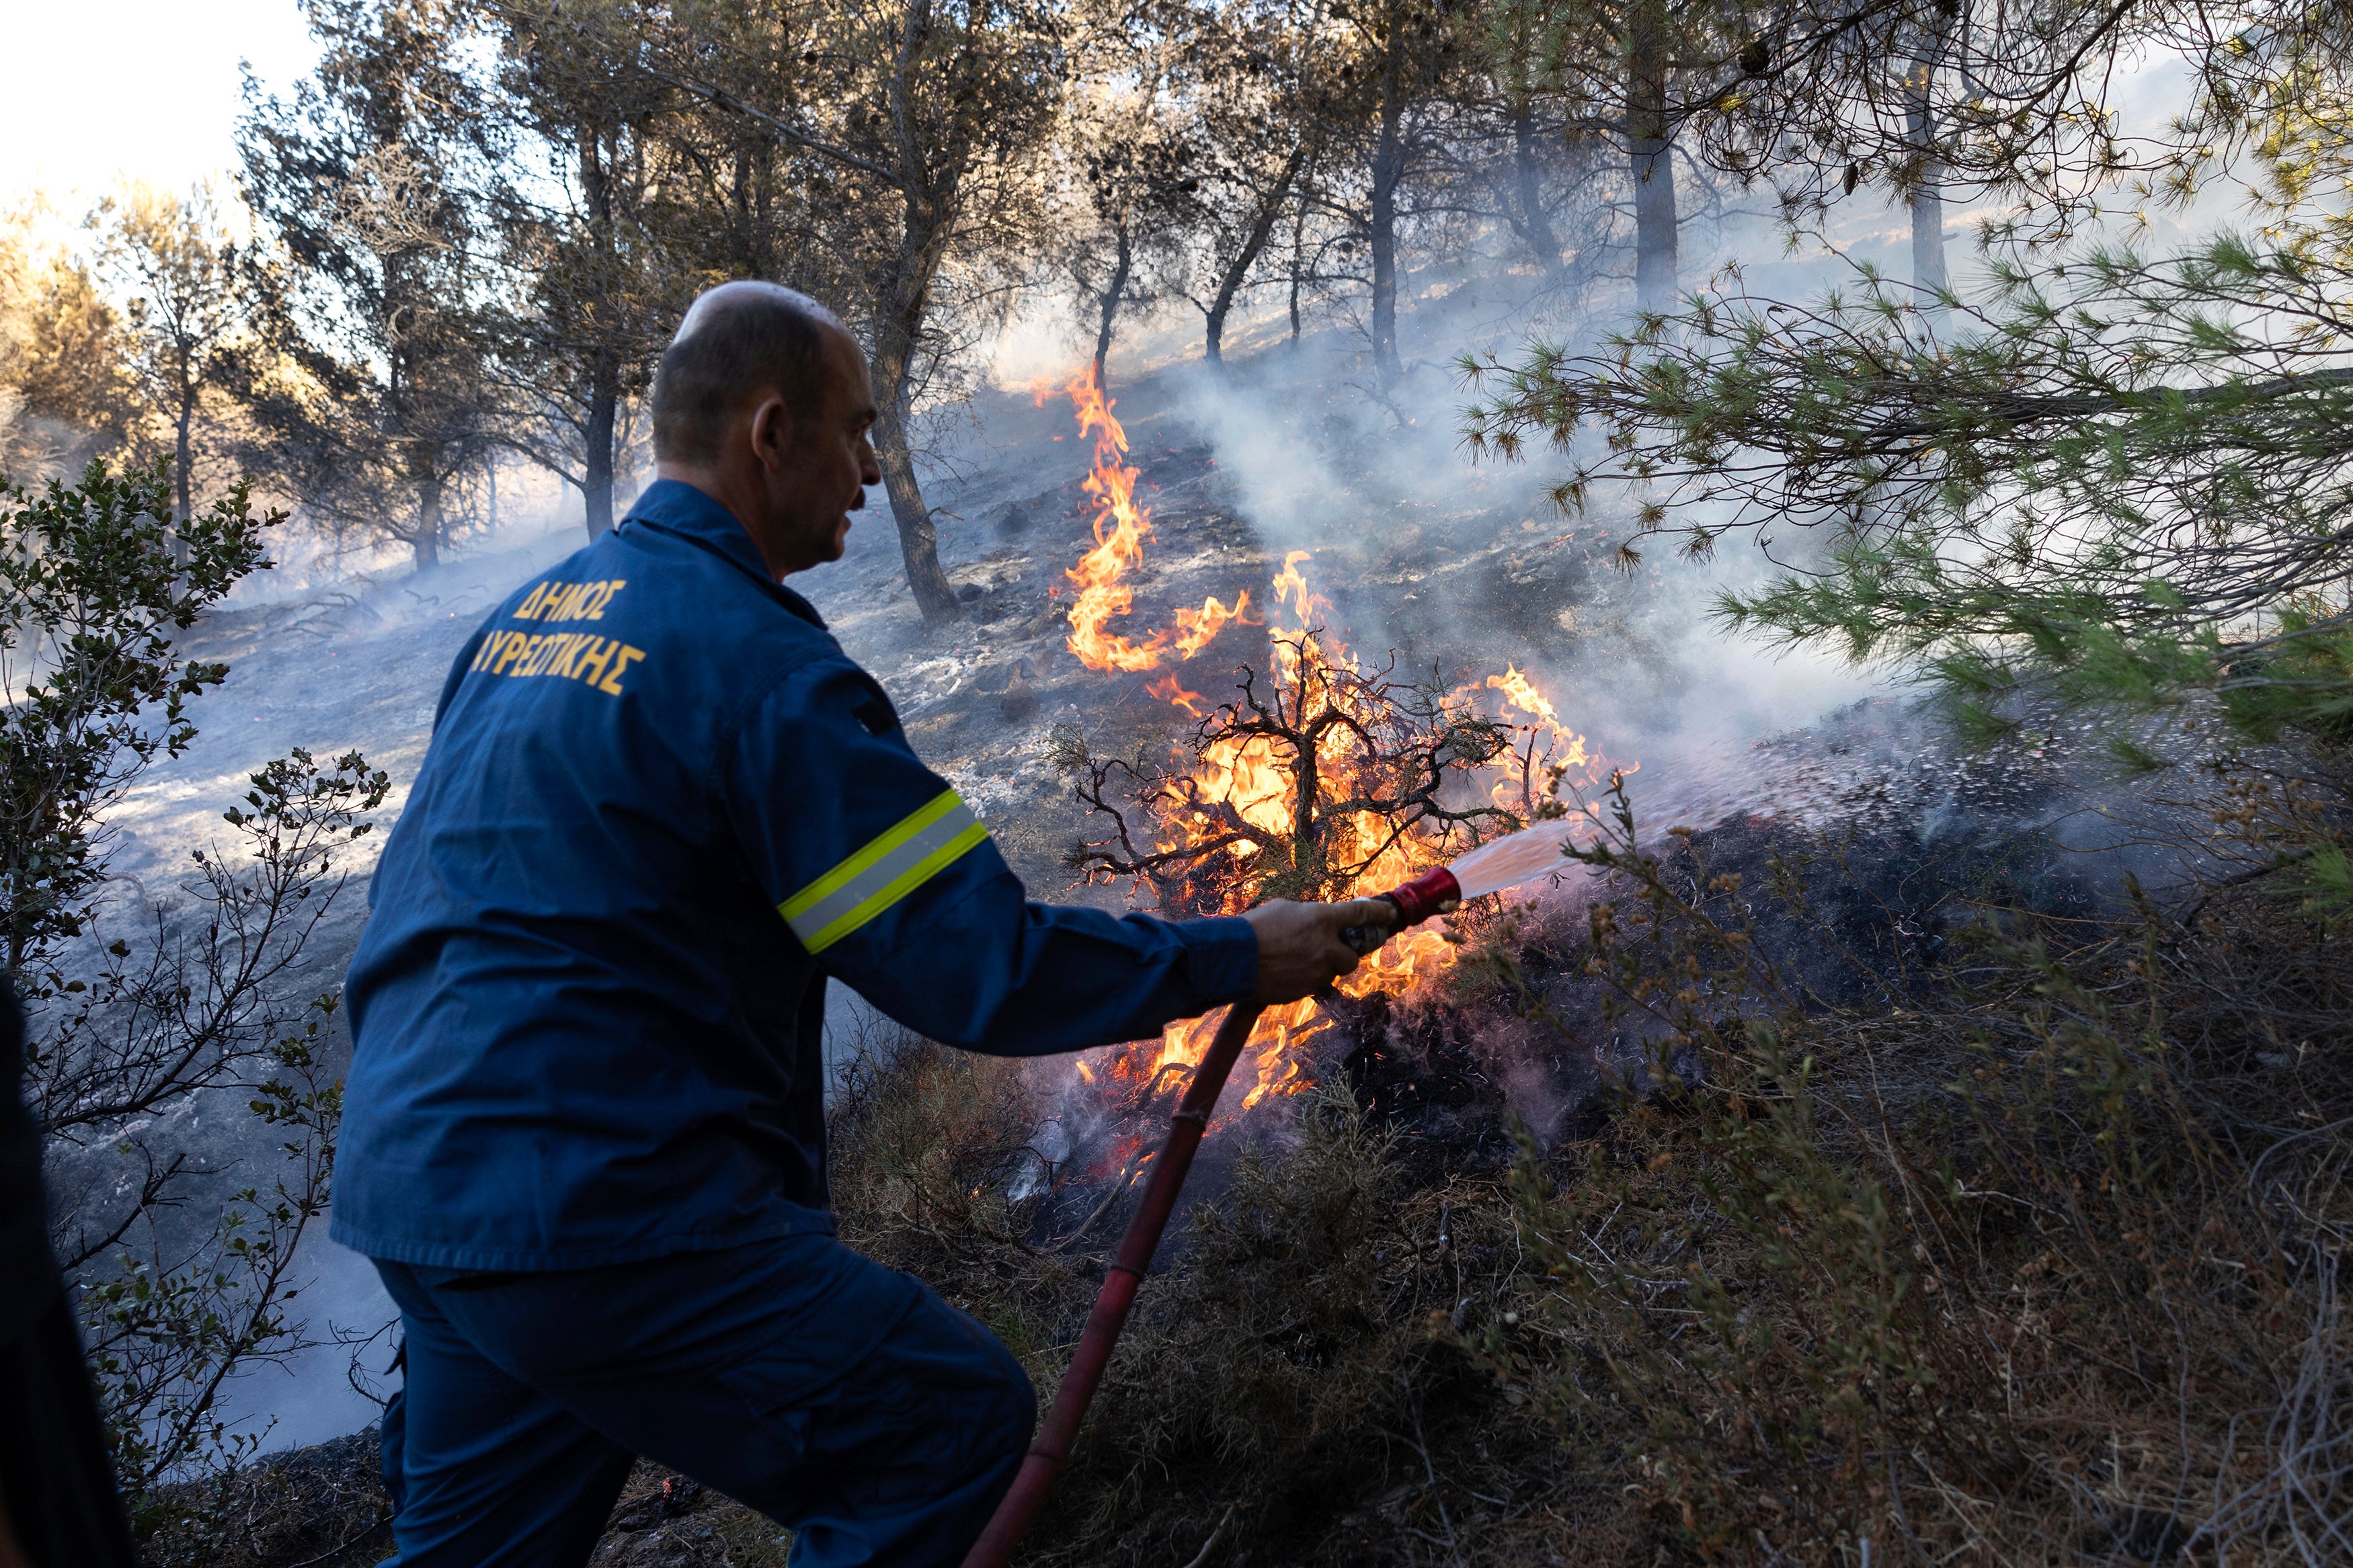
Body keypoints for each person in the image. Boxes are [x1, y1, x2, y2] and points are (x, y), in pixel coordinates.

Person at [333, 281, 1392, 1568]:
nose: (872, 470)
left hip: (417, 1187)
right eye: (855, 430)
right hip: (600, 1208)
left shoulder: (526, 625)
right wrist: (1241, 950)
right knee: (943, 1430)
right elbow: (976, 965)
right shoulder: (759, 668)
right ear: (771, 433)